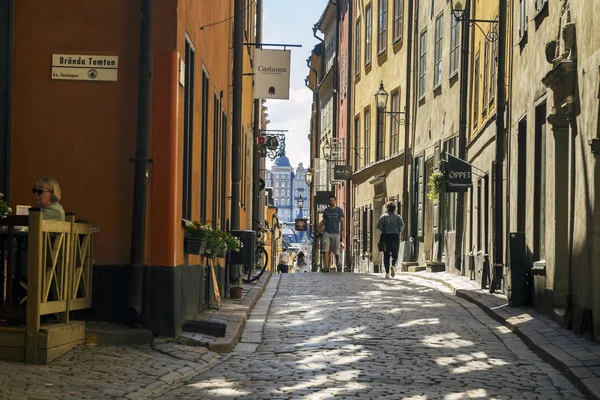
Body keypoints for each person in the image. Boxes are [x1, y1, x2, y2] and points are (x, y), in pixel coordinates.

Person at [377, 201, 405, 278]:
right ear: (394, 208)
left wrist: (385, 229)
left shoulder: (383, 217)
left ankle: (387, 273)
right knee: (395, 253)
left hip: (385, 236)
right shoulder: (398, 217)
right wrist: (398, 230)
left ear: (387, 208)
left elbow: (379, 226)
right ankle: (393, 265)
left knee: (386, 255)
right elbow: (402, 226)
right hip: (395, 236)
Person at [318, 195, 345, 273]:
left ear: (335, 201)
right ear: (328, 202)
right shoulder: (326, 210)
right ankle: (326, 267)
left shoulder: (339, 210)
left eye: (333, 200)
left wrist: (342, 230)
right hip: (326, 232)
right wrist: (319, 229)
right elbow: (324, 221)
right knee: (325, 249)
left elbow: (342, 220)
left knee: (336, 251)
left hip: (336, 233)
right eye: (330, 200)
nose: (331, 202)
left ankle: (338, 263)